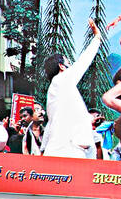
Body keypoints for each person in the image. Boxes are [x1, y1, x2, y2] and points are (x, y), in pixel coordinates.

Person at [40, 19, 103, 158]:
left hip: (62, 150)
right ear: (62, 66)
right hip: (66, 152)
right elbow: (83, 62)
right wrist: (97, 38)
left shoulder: (58, 90)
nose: (71, 65)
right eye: (68, 62)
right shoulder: (61, 80)